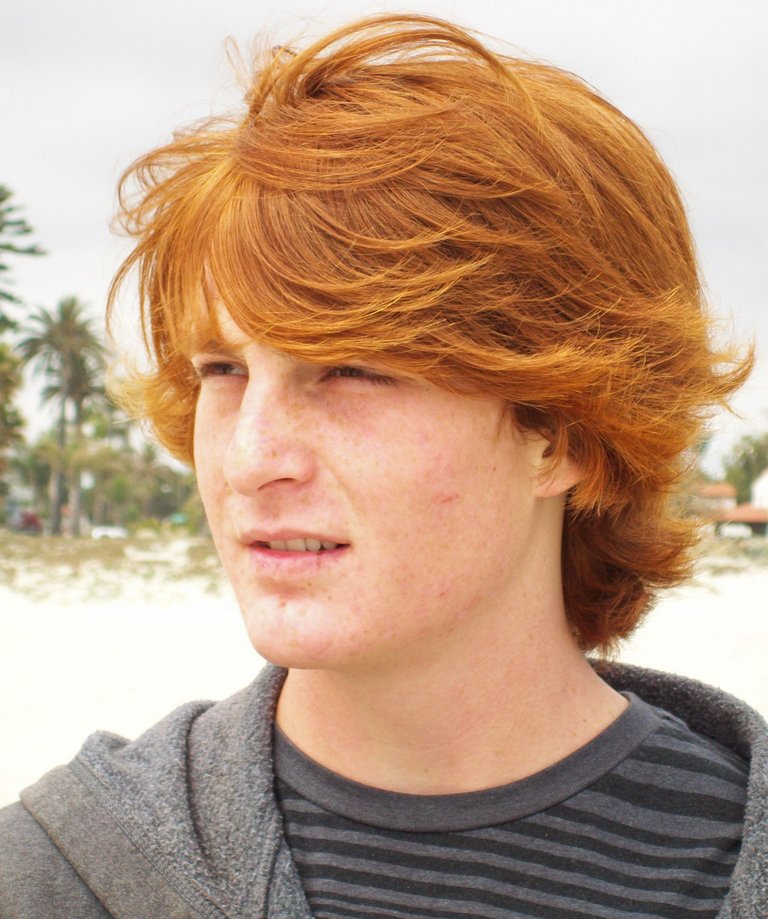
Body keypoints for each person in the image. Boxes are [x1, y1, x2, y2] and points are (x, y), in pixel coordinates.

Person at [1, 13, 765, 918]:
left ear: (562, 431)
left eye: (350, 370)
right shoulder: (55, 880)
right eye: (223, 371)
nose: (248, 458)